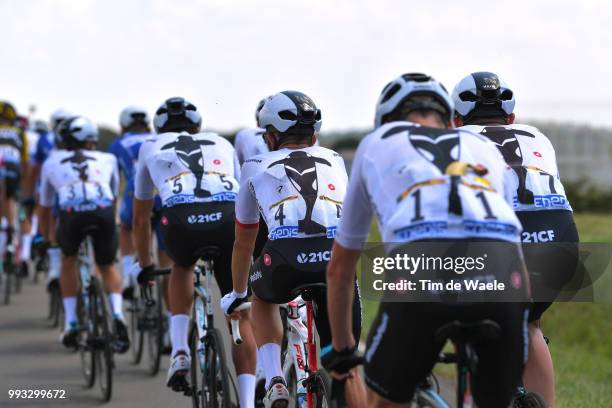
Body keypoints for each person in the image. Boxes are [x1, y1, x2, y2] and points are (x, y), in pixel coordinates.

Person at [324, 73, 530, 408]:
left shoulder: (377, 143)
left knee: (387, 398)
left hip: (422, 268)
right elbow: (511, 241)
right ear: (449, 119)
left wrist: (344, 348)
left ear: (386, 121)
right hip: (503, 271)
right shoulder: (485, 149)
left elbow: (340, 268)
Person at [221, 90, 363, 408]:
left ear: (270, 136)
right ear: (314, 135)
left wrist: (239, 292)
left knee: (262, 297)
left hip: (284, 261)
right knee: (346, 367)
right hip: (336, 262)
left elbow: (244, 242)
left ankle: (274, 380)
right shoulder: (336, 159)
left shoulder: (255, 164)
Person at [452, 71, 579, 408]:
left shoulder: (455, 142)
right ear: (511, 117)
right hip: (561, 237)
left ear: (455, 120)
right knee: (531, 323)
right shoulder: (537, 136)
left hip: (504, 242)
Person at [132, 97, 257, 407]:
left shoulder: (150, 146)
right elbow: (243, 194)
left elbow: (139, 217)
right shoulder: (221, 142)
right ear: (198, 125)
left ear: (158, 127)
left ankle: (179, 352)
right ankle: (248, 401)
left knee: (182, 266)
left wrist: (146, 265)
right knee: (239, 315)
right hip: (227, 218)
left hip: (181, 221)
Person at [38, 116, 129, 353]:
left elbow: (46, 208)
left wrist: (45, 239)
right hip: (104, 212)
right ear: (92, 140)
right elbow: (113, 192)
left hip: (72, 214)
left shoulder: (51, 162)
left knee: (68, 261)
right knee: (107, 265)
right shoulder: (108, 158)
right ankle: (118, 314)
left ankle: (71, 323)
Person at [108, 106, 170, 297]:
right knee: (166, 257)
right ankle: (171, 314)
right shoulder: (159, 140)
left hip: (136, 192)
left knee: (126, 226)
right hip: (164, 193)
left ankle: (128, 275)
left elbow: (114, 179)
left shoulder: (118, 143)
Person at [24, 109, 73, 289]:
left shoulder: (44, 139)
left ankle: (53, 265)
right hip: (74, 186)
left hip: (48, 185)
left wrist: (29, 194)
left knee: (48, 215)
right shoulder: (76, 137)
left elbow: (34, 168)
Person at [0, 101, 29, 263]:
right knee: (11, 197)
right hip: (12, 167)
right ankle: (10, 231)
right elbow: (25, 161)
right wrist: (23, 182)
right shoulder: (19, 132)